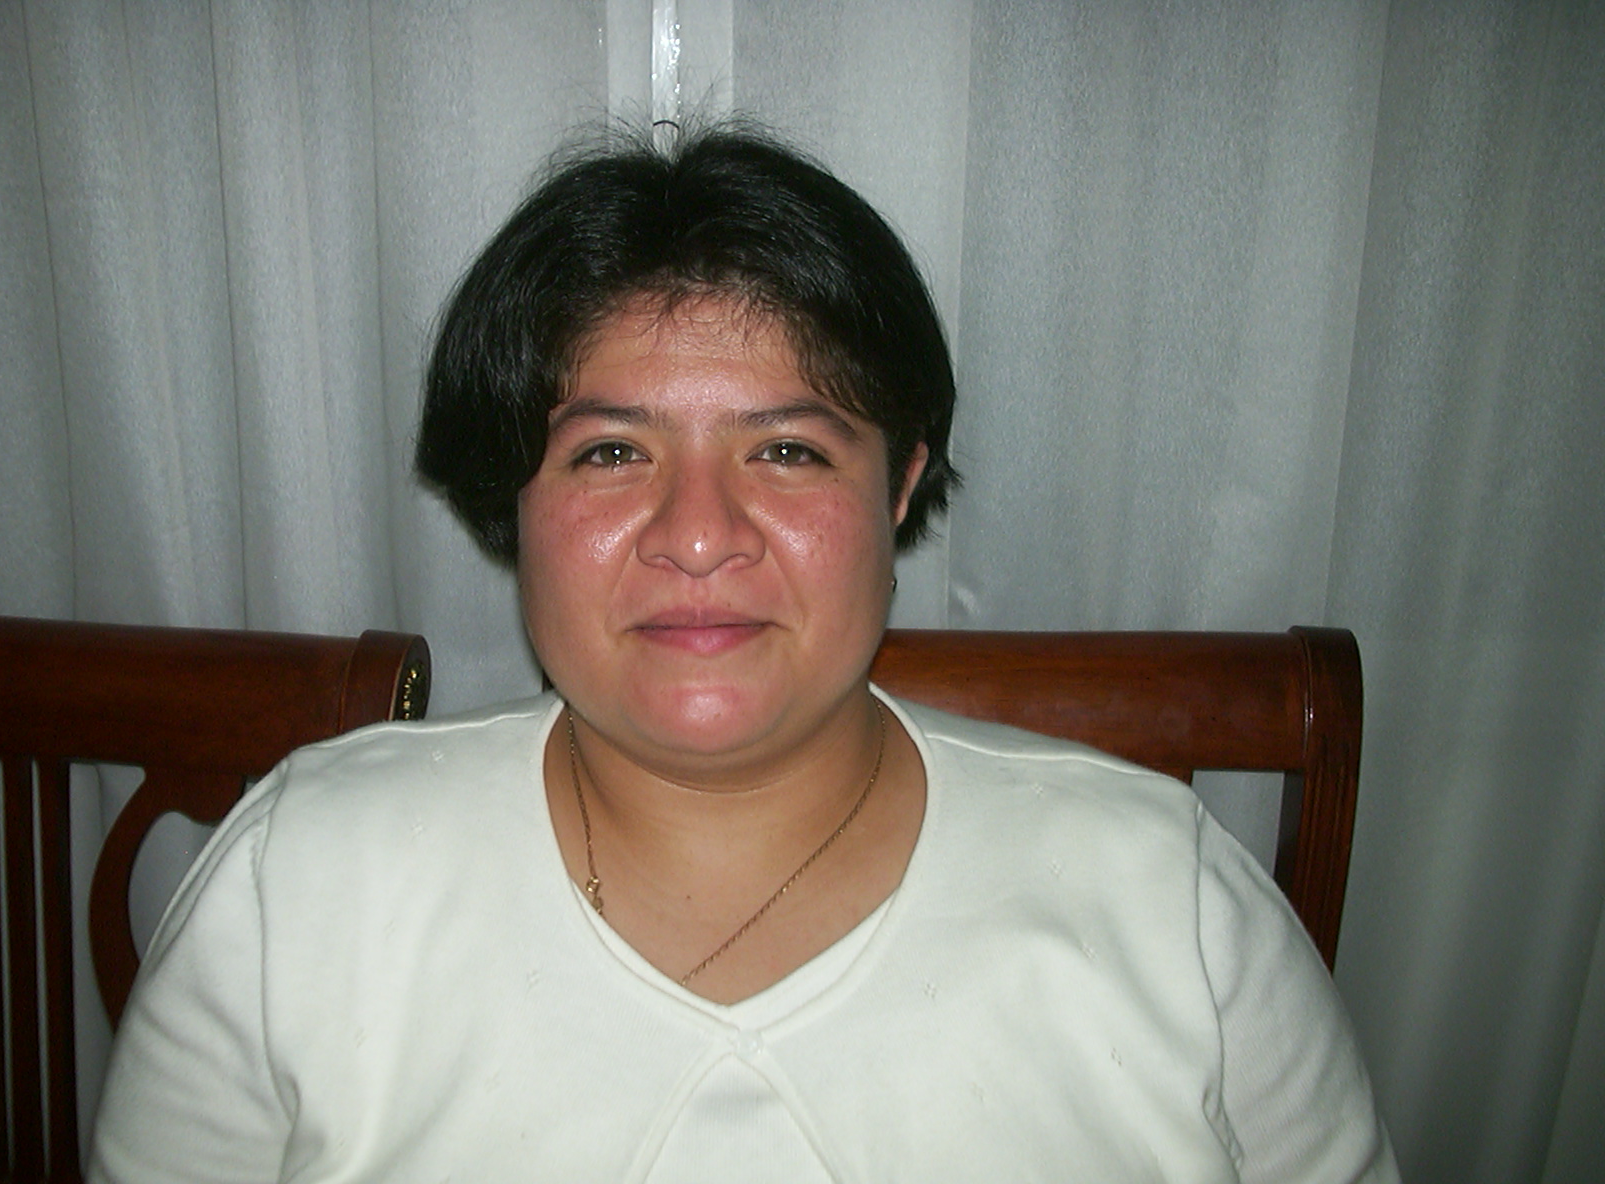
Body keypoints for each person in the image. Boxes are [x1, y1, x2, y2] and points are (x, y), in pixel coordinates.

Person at [89, 123, 1398, 1182]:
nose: (700, 535)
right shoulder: (298, 888)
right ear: (514, 500)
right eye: (612, 451)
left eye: (787, 449)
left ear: (901, 484)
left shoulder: (1170, 908)